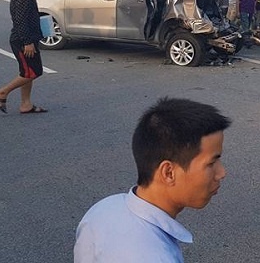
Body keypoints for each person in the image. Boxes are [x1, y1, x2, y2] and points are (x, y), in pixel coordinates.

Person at [74, 97, 231, 262]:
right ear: (168, 172)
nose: (222, 173)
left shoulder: (103, 209)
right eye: (212, 163)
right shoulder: (155, 256)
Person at [0, 0, 48, 115]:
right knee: (34, 71)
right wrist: (27, 42)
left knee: (27, 71)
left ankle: (26, 104)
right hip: (22, 40)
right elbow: (20, 19)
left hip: (28, 38)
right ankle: (2, 92)